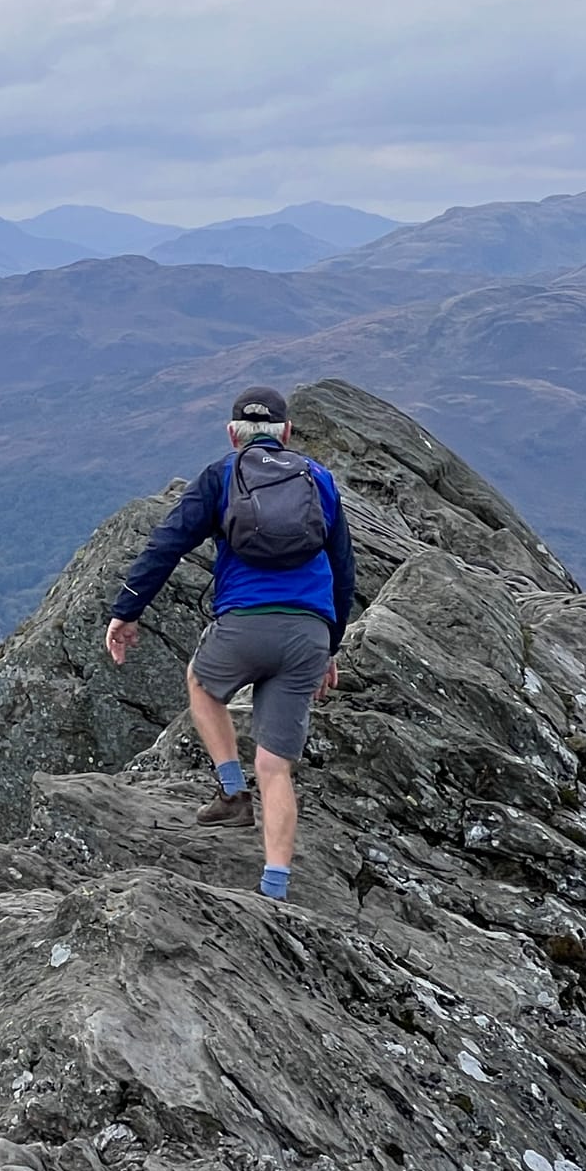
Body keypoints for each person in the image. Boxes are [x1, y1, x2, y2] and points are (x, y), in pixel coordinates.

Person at [104, 383, 355, 903]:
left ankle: (232, 791)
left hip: (242, 626)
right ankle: (275, 887)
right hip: (308, 632)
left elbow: (167, 543)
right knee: (277, 765)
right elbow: (343, 571)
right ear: (286, 432)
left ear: (232, 434)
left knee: (201, 683)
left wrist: (126, 611)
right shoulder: (320, 481)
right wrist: (331, 644)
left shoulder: (222, 475)